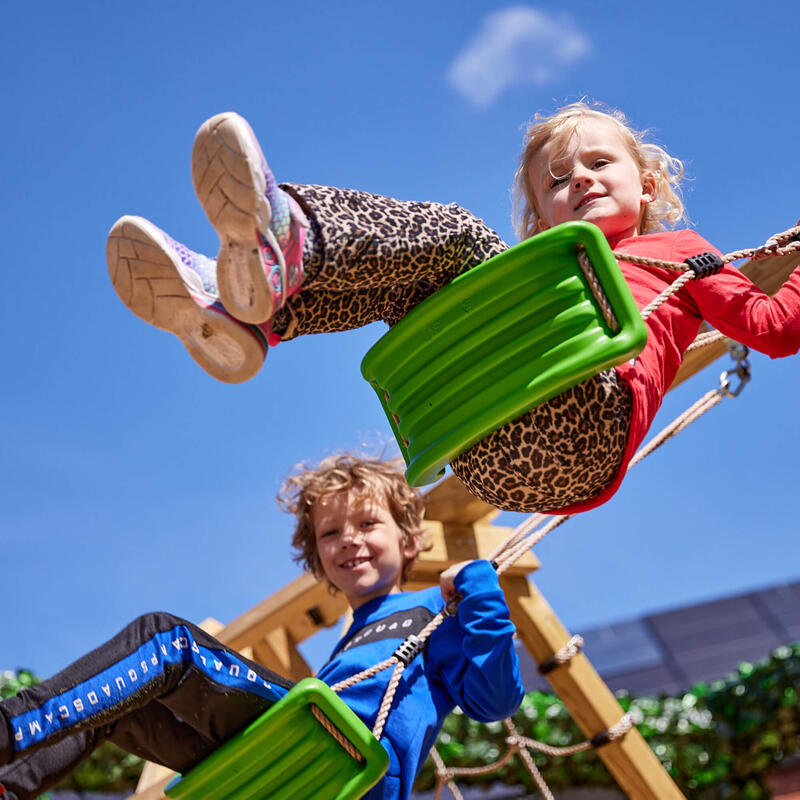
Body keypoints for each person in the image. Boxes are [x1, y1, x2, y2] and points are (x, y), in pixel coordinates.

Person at [106, 104, 800, 514]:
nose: (579, 179)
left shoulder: (682, 252)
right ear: (542, 219)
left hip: (583, 426)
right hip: (490, 449)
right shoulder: (539, 279)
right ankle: (248, 318)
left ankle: (291, 242)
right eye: (556, 181)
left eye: (598, 164)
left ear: (646, 185)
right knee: (417, 283)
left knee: (459, 236)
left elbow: (773, 329)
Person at [0, 455, 523, 800]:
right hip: (289, 763)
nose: (348, 540)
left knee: (167, 641)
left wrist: (479, 587)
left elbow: (494, 701)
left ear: (410, 540)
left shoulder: (436, 612)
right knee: (114, 704)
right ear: (317, 556)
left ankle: (8, 727)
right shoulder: (349, 646)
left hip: (344, 762)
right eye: (330, 532)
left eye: (368, 524)